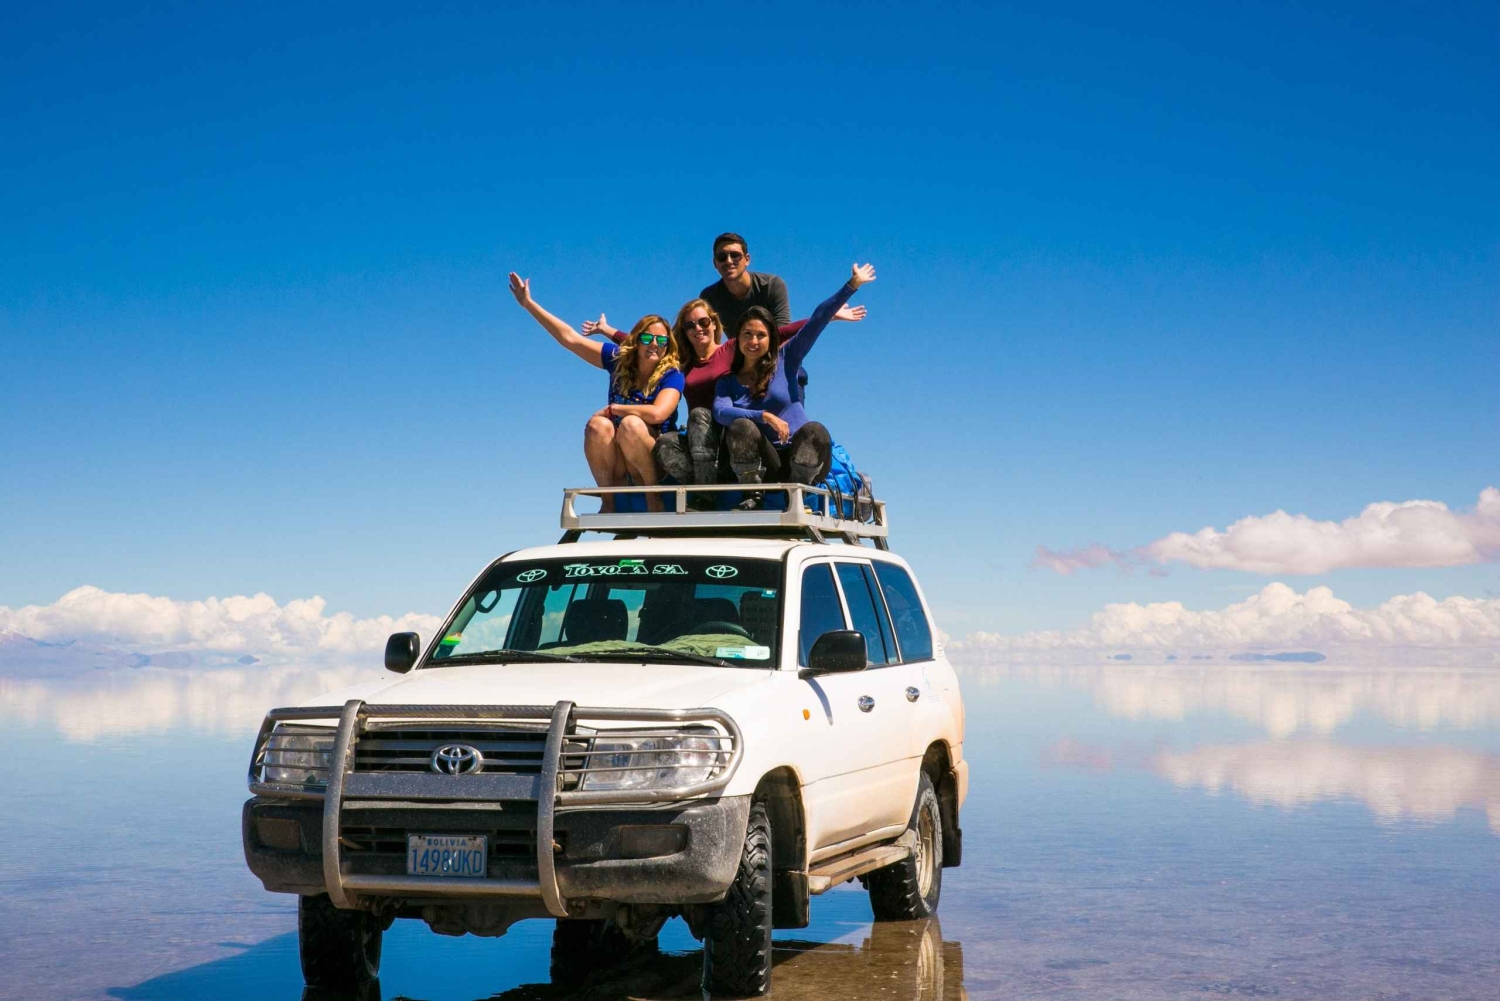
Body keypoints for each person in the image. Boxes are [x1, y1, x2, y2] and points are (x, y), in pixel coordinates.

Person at [584, 298, 867, 499]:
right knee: (680, 433)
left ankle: (743, 489)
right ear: (683, 332)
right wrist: (609, 331)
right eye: (690, 325)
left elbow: (776, 332)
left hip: (736, 432)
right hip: (701, 440)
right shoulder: (680, 360)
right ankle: (701, 492)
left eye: (703, 322)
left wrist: (829, 316)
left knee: (704, 417)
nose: (698, 329)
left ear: (714, 323)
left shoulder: (733, 349)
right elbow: (648, 343)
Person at [507, 272, 682, 512]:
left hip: (653, 460)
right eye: (648, 337)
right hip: (620, 458)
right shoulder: (616, 359)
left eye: (661, 340)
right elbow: (570, 339)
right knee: (598, 426)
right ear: (637, 340)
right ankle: (609, 500)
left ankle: (654, 497)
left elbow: (658, 414)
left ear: (667, 346)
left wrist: (615, 409)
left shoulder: (671, 374)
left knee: (631, 423)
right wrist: (529, 304)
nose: (654, 344)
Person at [714, 264, 876, 507]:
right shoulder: (728, 381)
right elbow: (720, 412)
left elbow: (817, 320)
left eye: (761, 335)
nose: (754, 341)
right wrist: (765, 416)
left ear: (771, 339)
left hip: (804, 458)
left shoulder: (787, 359)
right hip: (767, 463)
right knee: (740, 426)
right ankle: (753, 494)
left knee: (816, 431)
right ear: (738, 339)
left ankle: (799, 495)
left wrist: (851, 286)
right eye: (747, 334)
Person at [699, 232, 790, 336]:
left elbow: (783, 333)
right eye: (721, 257)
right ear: (715, 263)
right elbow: (707, 338)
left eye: (735, 255)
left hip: (775, 350)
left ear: (747, 259)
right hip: (737, 351)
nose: (728, 261)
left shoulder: (771, 285)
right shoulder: (710, 297)